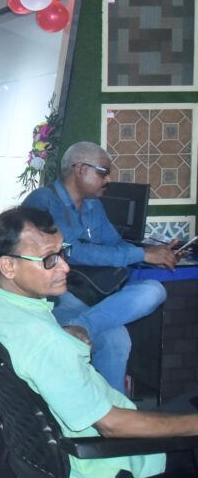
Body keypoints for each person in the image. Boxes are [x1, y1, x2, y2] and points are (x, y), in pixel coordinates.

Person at [0, 207, 198, 478]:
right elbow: (112, 426)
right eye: (49, 259)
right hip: (99, 462)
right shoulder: (47, 345)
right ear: (8, 266)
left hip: (36, 452)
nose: (65, 266)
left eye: (62, 253)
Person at [23, 141, 179, 394]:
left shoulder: (93, 205)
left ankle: (81, 327)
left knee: (155, 290)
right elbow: (71, 251)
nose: (108, 180)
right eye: (103, 172)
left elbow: (113, 243)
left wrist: (152, 251)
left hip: (95, 292)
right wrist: (142, 254)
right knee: (117, 339)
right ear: (80, 169)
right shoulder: (43, 201)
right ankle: (110, 412)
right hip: (58, 295)